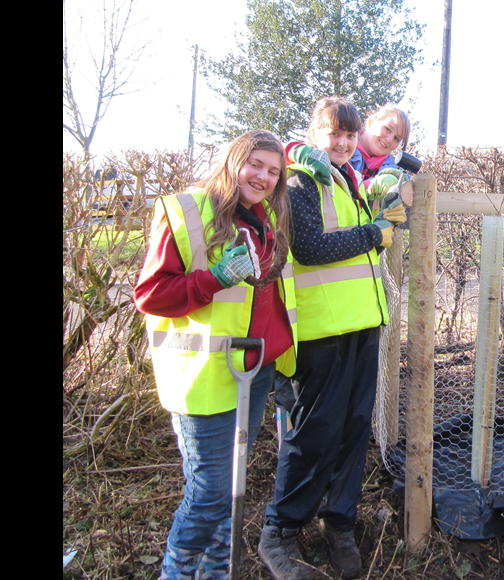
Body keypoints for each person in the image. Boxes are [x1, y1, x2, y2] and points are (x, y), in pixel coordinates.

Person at [134, 130, 298, 580]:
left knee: (232, 485)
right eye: (255, 165)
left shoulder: (267, 219)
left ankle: (214, 571)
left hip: (255, 368)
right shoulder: (188, 211)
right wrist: (214, 278)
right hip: (204, 374)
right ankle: (176, 573)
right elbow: (150, 295)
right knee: (209, 493)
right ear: (233, 161)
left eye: (273, 171)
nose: (263, 177)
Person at [257, 96, 407, 580]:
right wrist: (374, 233)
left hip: (361, 325)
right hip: (321, 333)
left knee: (352, 431)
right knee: (313, 435)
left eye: (348, 134)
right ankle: (279, 531)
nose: (342, 143)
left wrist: (382, 213)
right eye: (333, 134)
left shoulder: (348, 179)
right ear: (314, 134)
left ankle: (339, 522)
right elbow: (310, 248)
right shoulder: (301, 180)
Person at [348, 105, 413, 209]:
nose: (389, 139)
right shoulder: (341, 149)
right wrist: (369, 185)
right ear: (371, 123)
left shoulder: (396, 171)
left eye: (396, 138)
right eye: (387, 129)